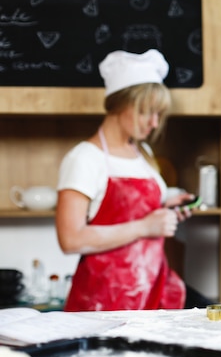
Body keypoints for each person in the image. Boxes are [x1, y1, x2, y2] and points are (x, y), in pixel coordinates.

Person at [56, 49, 195, 311]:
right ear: (122, 104)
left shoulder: (143, 154)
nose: (154, 123)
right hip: (104, 304)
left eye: (158, 114)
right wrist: (145, 227)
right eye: (147, 112)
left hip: (152, 293)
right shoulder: (84, 158)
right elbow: (70, 239)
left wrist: (168, 206)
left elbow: (137, 211)